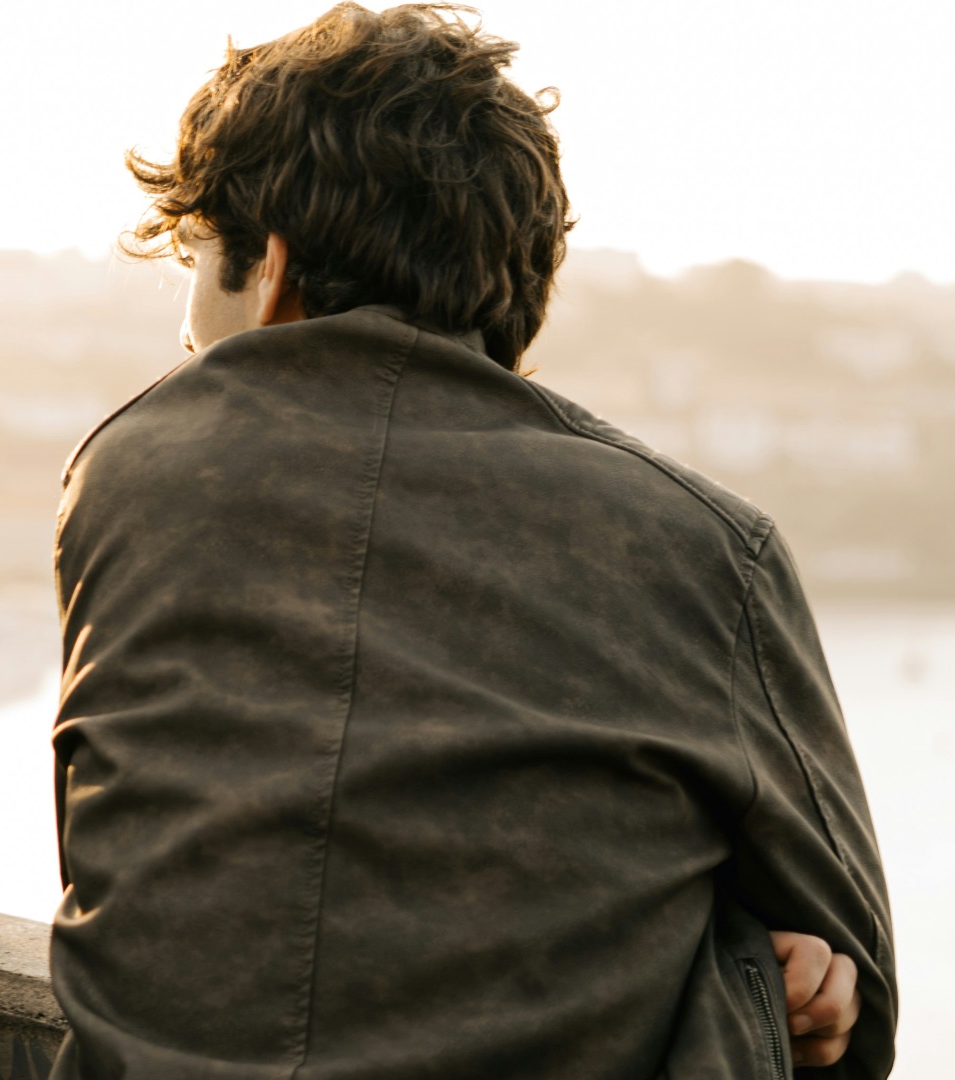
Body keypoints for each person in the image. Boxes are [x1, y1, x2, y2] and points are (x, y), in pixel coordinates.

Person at [50, 5, 894, 1077]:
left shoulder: (126, 472)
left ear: (268, 267)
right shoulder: (706, 547)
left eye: (195, 266)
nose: (184, 335)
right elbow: (856, 991)